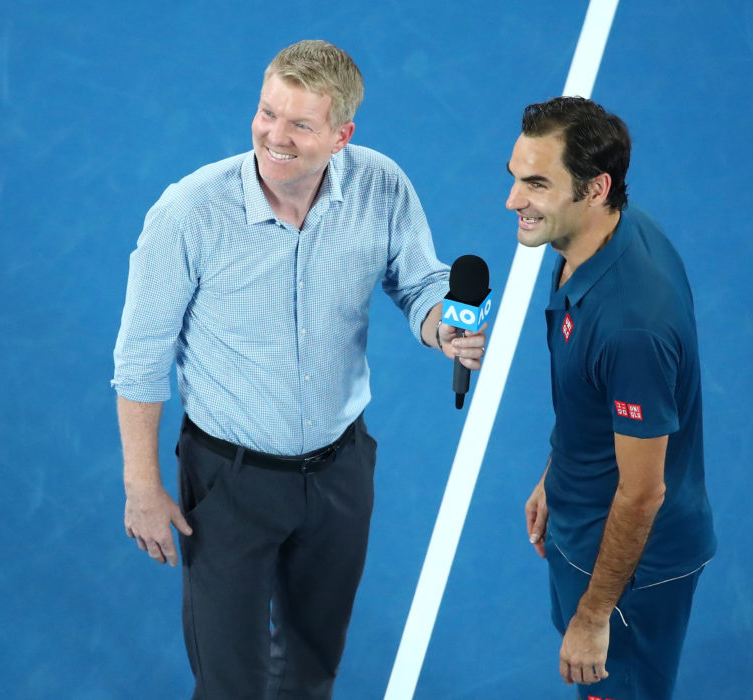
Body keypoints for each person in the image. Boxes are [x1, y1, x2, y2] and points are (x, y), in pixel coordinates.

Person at [111, 40, 486, 700]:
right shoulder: (189, 213)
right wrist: (142, 485)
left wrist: (442, 328)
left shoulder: (381, 186)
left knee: (311, 671)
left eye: (300, 124)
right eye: (267, 113)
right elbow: (140, 358)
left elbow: (420, 280)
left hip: (341, 472)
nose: (274, 136)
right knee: (230, 684)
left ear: (342, 136)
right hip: (228, 483)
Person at [508, 97, 716, 699]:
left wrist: (596, 614)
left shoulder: (630, 325)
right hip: (583, 522)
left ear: (595, 188)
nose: (513, 201)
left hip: (627, 572)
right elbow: (594, 399)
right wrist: (557, 472)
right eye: (516, 178)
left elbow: (644, 491)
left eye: (537, 184)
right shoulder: (597, 237)